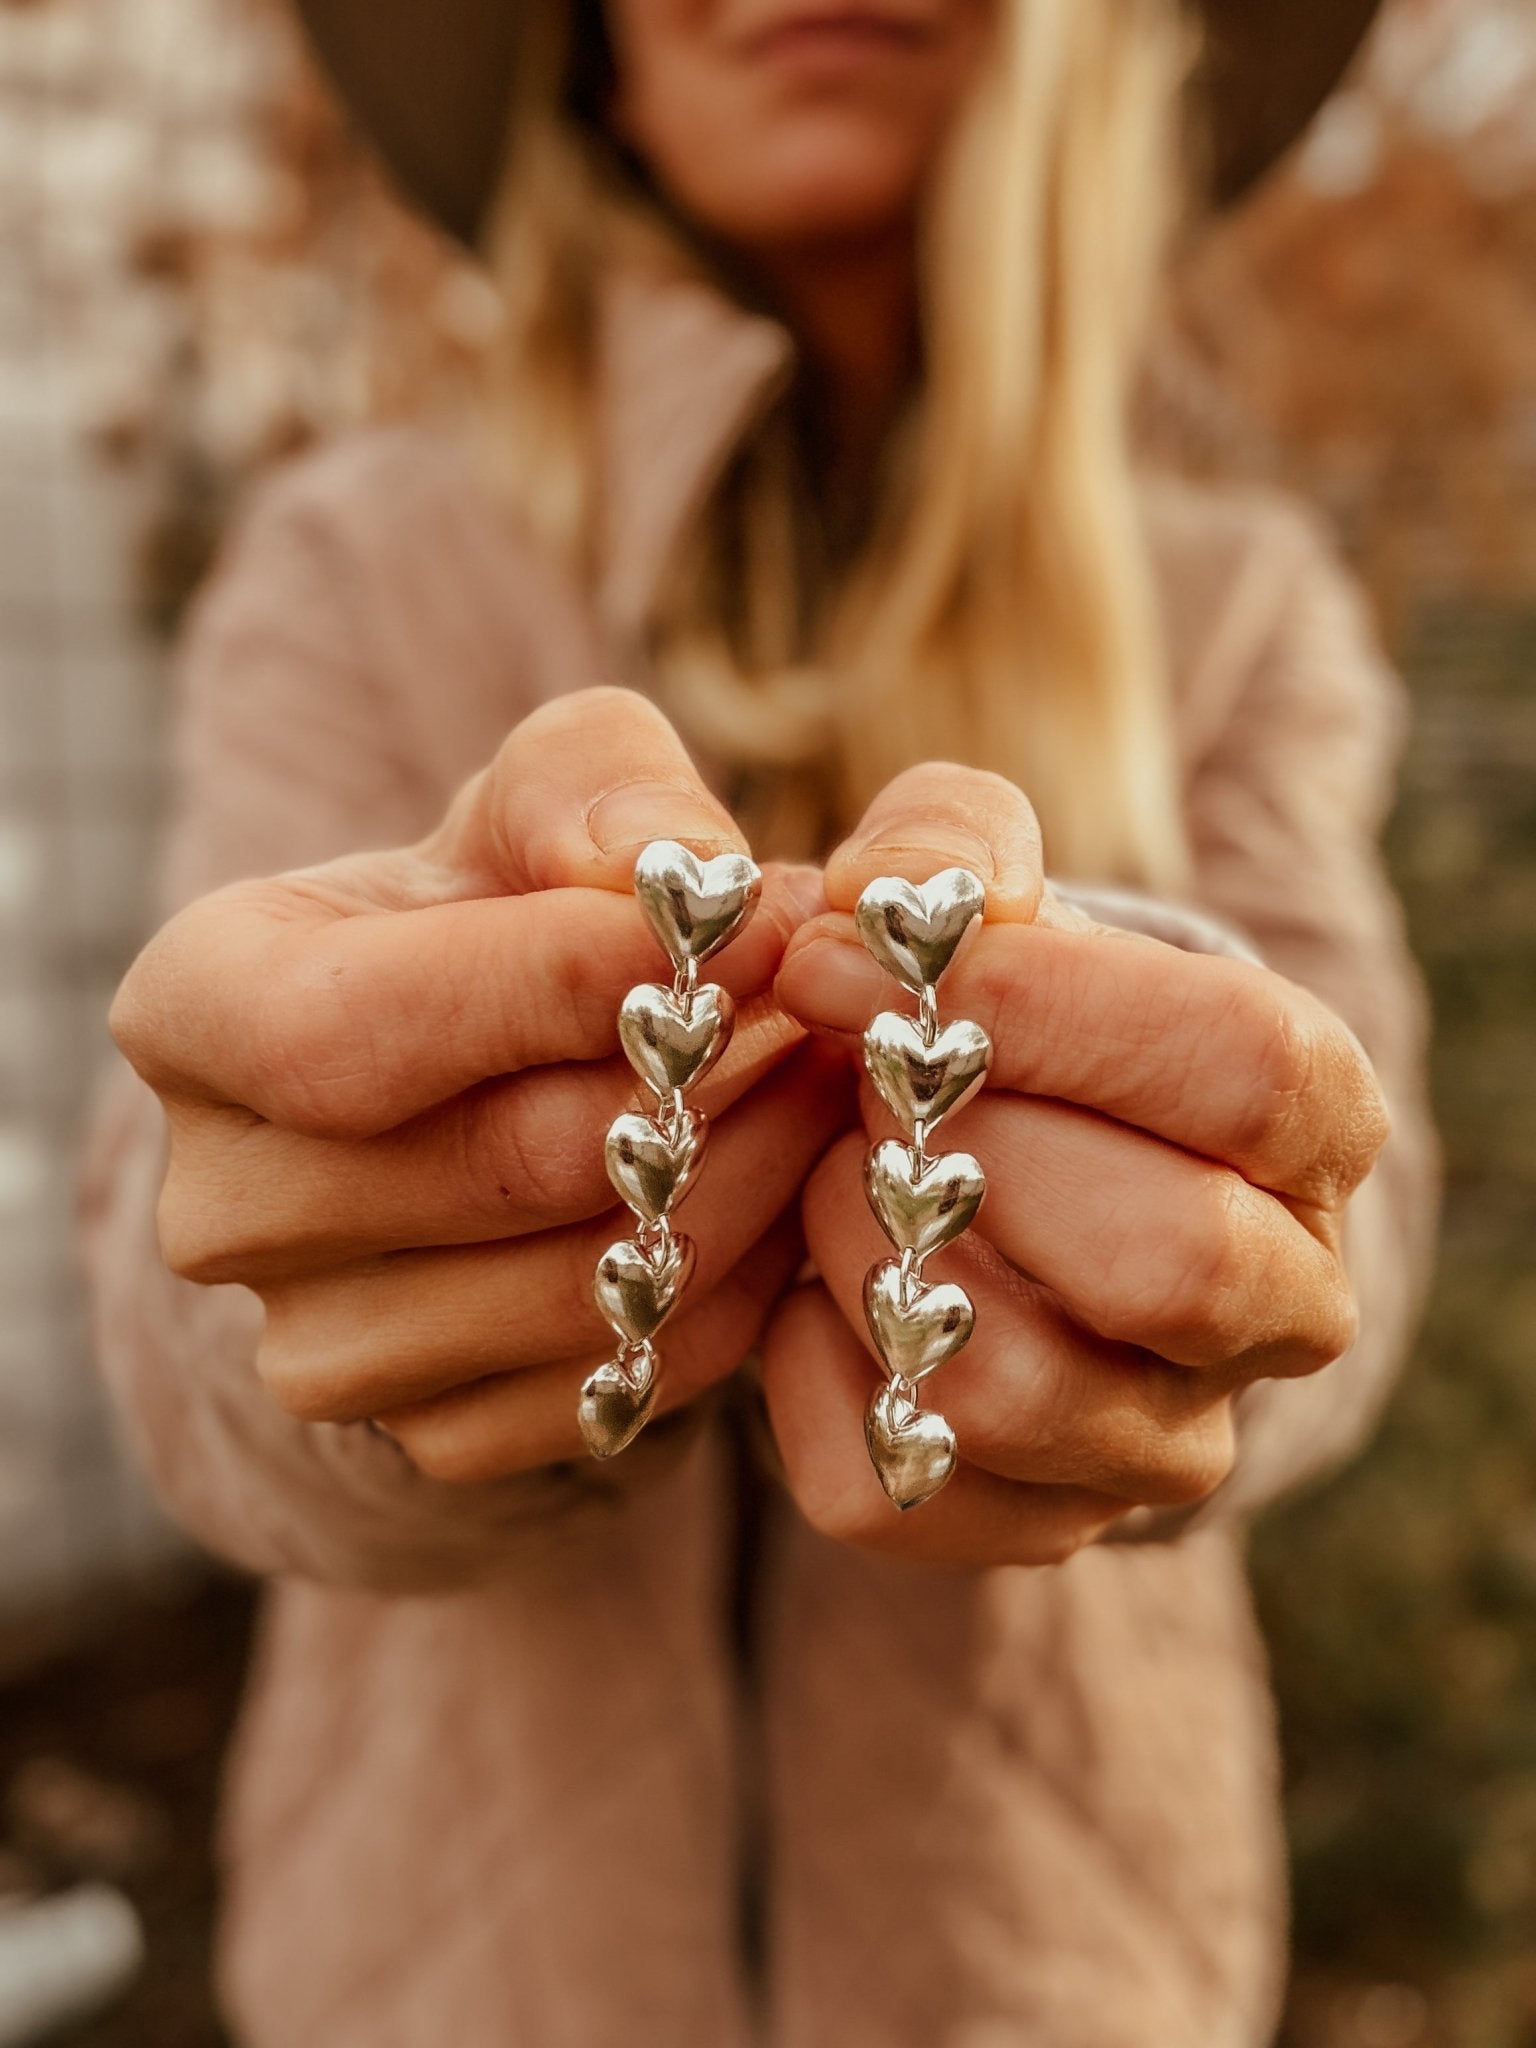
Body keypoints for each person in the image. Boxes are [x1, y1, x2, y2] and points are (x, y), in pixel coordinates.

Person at [83, 0, 1438, 2039]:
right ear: (591, 47)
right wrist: (340, 1275)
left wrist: (1196, 1219)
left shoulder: (1237, 609)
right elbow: (171, 1277)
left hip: (1053, 1966)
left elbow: (1361, 1227)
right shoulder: (357, 564)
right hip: (450, 1968)